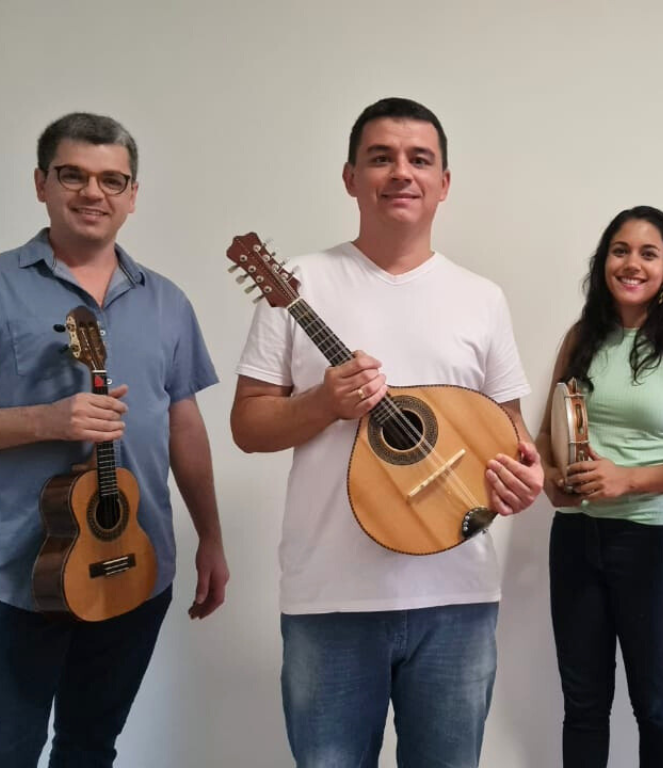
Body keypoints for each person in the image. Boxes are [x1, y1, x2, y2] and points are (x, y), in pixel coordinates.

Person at [230, 96, 544, 768]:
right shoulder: (298, 286)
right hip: (328, 597)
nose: (401, 172)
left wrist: (526, 474)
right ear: (351, 178)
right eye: (381, 158)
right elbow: (248, 425)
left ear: (444, 183)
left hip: (458, 594)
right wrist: (322, 403)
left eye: (419, 159)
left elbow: (508, 428)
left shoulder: (481, 297)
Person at [0, 112, 228, 768]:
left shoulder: (166, 301)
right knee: (2, 752)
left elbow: (184, 424)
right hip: (10, 576)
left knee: (91, 747)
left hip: (134, 564)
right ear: (41, 183)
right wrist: (46, 421)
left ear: (133, 195)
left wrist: (212, 537)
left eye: (113, 180)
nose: (95, 193)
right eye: (74, 175)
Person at [535, 206, 663, 767]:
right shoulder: (582, 337)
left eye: (648, 253)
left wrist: (627, 478)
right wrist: (553, 480)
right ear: (604, 261)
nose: (631, 263)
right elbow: (544, 434)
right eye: (620, 250)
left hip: (656, 543)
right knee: (583, 706)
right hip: (577, 540)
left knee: (655, 706)